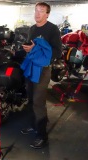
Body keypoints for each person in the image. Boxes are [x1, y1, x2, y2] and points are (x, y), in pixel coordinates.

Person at [20, 2, 62, 149]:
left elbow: (58, 51)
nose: (37, 14)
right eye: (36, 11)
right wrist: (28, 49)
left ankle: (42, 136)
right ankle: (33, 125)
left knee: (38, 102)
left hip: (43, 70)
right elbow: (32, 48)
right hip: (31, 67)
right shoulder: (32, 29)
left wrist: (36, 48)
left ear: (47, 14)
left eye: (41, 11)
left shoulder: (52, 29)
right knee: (30, 99)